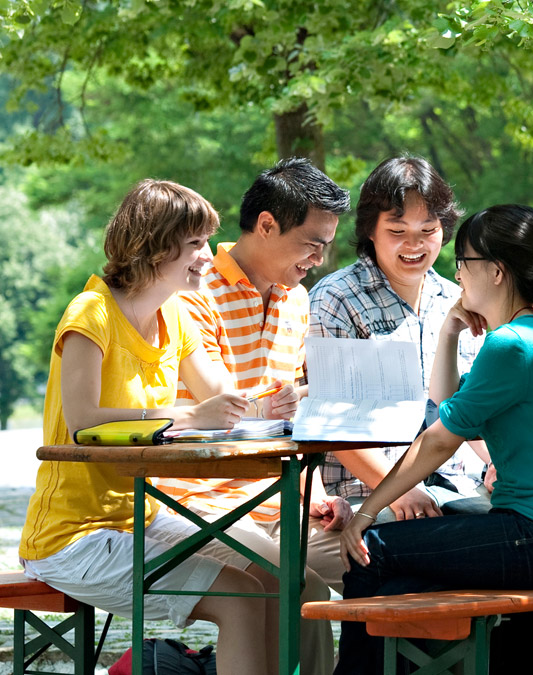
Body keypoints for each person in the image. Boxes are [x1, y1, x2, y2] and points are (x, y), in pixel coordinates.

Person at [18, 180, 277, 675]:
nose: (209, 255)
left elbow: (221, 398)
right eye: (196, 243)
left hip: (140, 514)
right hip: (70, 538)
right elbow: (81, 423)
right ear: (156, 246)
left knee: (271, 574)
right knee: (240, 597)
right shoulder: (90, 314)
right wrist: (190, 418)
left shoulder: (175, 315)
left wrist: (271, 405)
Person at [335, 203, 533, 674]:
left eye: (464, 261)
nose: (456, 273)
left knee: (372, 550)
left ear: (496, 271)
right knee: (406, 573)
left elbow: (439, 440)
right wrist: (449, 331)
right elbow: (446, 403)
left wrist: (366, 511)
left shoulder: (511, 346)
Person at [152, 158, 352, 674]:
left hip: (282, 497)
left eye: (326, 246)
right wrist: (271, 405)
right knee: (296, 582)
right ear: (266, 224)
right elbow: (219, 408)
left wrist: (318, 493)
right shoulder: (194, 292)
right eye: (312, 243)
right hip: (195, 496)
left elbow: (295, 411)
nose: (319, 258)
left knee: (387, 553)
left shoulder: (298, 300)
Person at [309, 155, 490, 522]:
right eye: (397, 231)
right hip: (366, 494)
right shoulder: (336, 298)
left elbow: (475, 406)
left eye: (428, 230)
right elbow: (332, 423)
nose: (414, 244)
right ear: (370, 231)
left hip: (461, 487)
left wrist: (501, 463)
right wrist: (399, 488)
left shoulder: (459, 300)